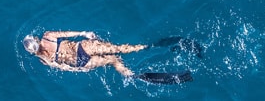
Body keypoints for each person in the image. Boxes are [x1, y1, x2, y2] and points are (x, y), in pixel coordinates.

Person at [22, 30, 193, 83]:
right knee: (121, 49)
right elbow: (69, 33)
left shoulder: (42, 60)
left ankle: (132, 75)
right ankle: (149, 46)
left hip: (81, 62)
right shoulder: (47, 36)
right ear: (35, 39)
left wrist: (81, 69)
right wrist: (84, 33)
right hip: (83, 47)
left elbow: (63, 67)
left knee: (113, 60)